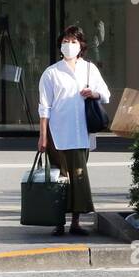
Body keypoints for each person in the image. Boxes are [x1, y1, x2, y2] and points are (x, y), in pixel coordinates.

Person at [38, 26, 109, 237]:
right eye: (66, 41)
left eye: (74, 41)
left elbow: (105, 94)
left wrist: (93, 93)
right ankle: (58, 221)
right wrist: (42, 136)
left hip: (81, 133)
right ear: (60, 45)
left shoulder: (89, 69)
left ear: (81, 46)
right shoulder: (51, 73)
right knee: (59, 180)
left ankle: (76, 222)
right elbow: (44, 107)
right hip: (57, 134)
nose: (69, 45)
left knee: (78, 180)